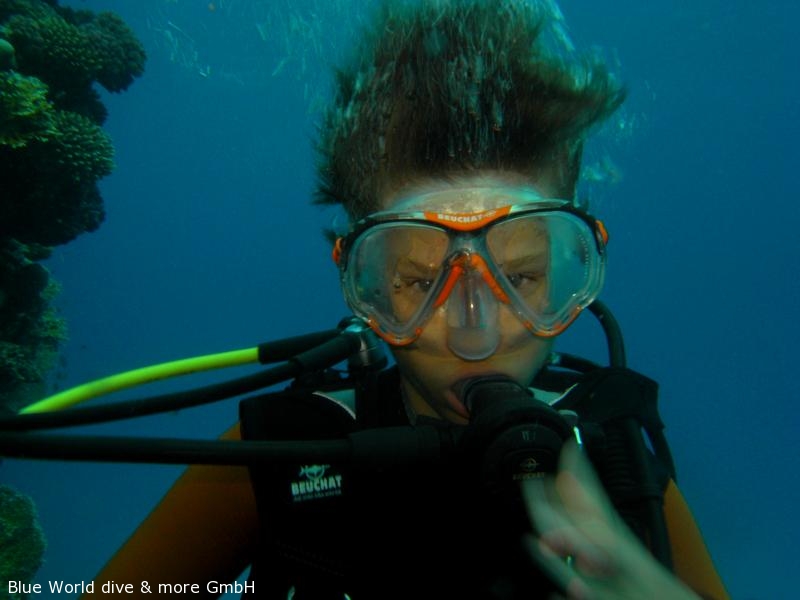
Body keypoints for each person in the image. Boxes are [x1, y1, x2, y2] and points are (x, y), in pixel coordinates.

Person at [82, 1, 730, 598]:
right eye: (422, 283)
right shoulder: (287, 455)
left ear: (575, 269)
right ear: (362, 283)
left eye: (522, 277)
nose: (476, 336)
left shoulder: (619, 464)